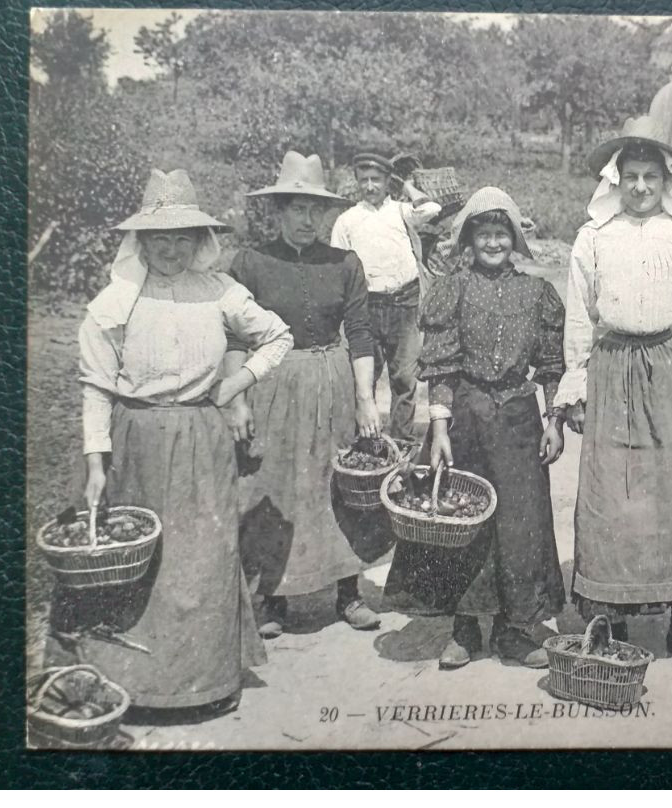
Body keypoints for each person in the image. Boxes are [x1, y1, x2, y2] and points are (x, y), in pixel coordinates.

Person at [62, 169, 293, 716]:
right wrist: (96, 463)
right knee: (130, 562)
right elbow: (95, 387)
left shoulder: (218, 292)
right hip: (133, 441)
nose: (170, 249)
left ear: (199, 241)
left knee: (201, 561)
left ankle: (201, 685)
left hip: (200, 439)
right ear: (140, 241)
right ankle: (130, 685)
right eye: (159, 238)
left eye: (181, 237)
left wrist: (237, 383)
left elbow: (277, 335)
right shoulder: (115, 302)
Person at [555, 116, 672, 674]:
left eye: (652, 177)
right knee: (613, 494)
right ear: (615, 179)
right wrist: (575, 382)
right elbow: (579, 314)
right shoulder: (594, 238)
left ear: (667, 180)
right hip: (612, 367)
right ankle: (614, 621)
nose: (641, 188)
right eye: (631, 176)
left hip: (670, 368)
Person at [383, 187, 567, 670]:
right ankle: (464, 629)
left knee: (518, 525)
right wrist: (439, 428)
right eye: (483, 234)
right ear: (469, 239)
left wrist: (554, 420)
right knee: (459, 520)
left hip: (519, 421)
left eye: (500, 233)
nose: (492, 243)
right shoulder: (453, 289)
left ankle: (513, 630)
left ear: (514, 239)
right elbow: (440, 367)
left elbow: (551, 364)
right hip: (463, 419)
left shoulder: (537, 292)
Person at [226, 152, 389, 638]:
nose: (306, 219)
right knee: (273, 485)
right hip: (271, 382)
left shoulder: (344, 263)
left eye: (314, 210)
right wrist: (236, 398)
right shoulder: (251, 263)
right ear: (278, 212)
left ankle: (347, 593)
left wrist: (364, 398)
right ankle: (273, 599)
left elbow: (360, 333)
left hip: (331, 381)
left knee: (335, 483)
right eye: (296, 209)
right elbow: (234, 336)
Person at [329, 151, 443, 441]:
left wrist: (404, 185)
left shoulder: (401, 211)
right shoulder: (347, 220)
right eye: (364, 180)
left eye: (376, 180)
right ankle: (362, 441)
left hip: (405, 302)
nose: (370, 186)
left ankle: (402, 442)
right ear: (357, 182)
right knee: (364, 377)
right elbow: (337, 265)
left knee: (405, 377)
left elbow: (432, 208)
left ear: (386, 181)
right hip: (366, 306)